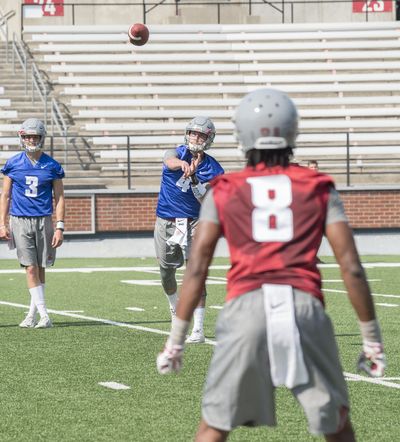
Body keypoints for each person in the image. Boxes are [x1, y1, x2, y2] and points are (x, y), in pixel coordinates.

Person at [156, 89, 386, 441]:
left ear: (241, 135)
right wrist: (371, 340)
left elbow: (198, 268)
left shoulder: (226, 187)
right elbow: (351, 267)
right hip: (303, 308)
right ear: (292, 133)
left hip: (245, 308)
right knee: (337, 426)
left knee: (215, 426)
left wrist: (175, 342)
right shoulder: (318, 186)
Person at [154, 116, 224, 343]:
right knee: (166, 272)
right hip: (167, 219)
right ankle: (175, 309)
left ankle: (198, 329)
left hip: (196, 221)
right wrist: (183, 165)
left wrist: (194, 179)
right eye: (193, 133)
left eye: (201, 135)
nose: (195, 138)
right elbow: (169, 161)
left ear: (208, 139)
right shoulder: (176, 153)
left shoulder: (214, 169)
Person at [0, 118, 65, 329]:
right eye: (27, 136)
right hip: (20, 220)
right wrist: (2, 223)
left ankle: (31, 314)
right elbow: (6, 195)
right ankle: (45, 314)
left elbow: (60, 197)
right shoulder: (13, 163)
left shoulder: (52, 166)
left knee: (41, 267)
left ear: (41, 138)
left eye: (34, 136)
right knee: (30, 268)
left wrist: (60, 226)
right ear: (22, 137)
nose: (30, 140)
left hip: (44, 219)